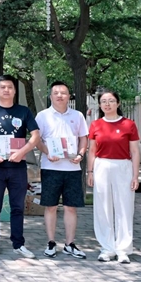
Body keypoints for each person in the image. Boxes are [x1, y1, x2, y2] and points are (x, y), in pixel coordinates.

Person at [0, 74, 40, 259]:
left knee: (17, 207)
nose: (6, 90)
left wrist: (22, 152)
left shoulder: (23, 111)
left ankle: (18, 244)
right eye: (3, 87)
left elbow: (35, 136)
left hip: (18, 168)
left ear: (14, 90)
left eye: (10, 87)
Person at [35, 81, 88, 259]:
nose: (59, 95)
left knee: (70, 207)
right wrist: (47, 152)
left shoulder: (77, 115)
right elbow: (37, 139)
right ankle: (51, 242)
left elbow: (83, 138)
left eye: (63, 93)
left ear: (69, 96)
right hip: (50, 167)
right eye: (56, 92)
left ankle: (69, 244)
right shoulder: (43, 116)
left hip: (72, 168)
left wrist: (80, 155)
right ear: (50, 96)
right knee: (50, 206)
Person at [87, 89, 140, 264]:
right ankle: (107, 247)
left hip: (123, 166)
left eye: (111, 100)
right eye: (104, 101)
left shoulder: (129, 124)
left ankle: (123, 249)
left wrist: (135, 176)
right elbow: (92, 150)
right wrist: (90, 171)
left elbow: (134, 151)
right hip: (102, 166)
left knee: (124, 207)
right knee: (103, 207)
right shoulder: (96, 125)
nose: (107, 104)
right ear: (100, 105)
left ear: (118, 103)